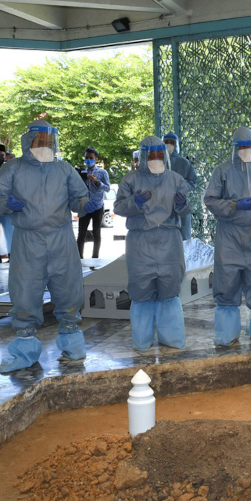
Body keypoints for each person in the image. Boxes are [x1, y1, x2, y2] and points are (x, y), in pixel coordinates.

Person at [0, 120, 92, 372]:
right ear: (29, 142)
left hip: (62, 238)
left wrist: (83, 203)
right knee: (25, 291)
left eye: (48, 142)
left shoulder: (64, 169)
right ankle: (25, 349)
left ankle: (73, 347)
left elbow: (79, 196)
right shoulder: (13, 168)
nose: (44, 146)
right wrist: (6, 204)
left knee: (68, 289)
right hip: (27, 239)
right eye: (39, 142)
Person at [204, 126, 251, 345]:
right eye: (244, 146)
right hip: (230, 236)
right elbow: (210, 200)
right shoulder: (222, 171)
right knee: (227, 281)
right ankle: (227, 334)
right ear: (235, 148)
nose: (249, 150)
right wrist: (235, 205)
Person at [114, 136, 191, 351]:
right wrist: (134, 203)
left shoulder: (176, 179)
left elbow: (186, 209)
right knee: (141, 290)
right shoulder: (131, 179)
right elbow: (119, 207)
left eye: (160, 154)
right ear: (143, 156)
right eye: (151, 155)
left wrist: (183, 205)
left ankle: (172, 338)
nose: (156, 159)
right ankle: (142, 340)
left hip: (170, 241)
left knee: (170, 289)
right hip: (141, 242)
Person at [163, 132, 200, 241]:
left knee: (183, 238)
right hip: (163, 203)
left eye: (171, 142)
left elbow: (193, 181)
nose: (169, 145)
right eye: (166, 142)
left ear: (176, 144)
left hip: (181, 202)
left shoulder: (184, 163)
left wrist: (181, 187)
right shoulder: (159, 162)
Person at [77, 147, 111, 259]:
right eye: (86, 158)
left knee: (97, 234)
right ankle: (79, 258)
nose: (88, 160)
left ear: (96, 159)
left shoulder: (102, 172)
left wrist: (97, 182)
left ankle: (95, 258)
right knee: (81, 234)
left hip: (98, 206)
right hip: (84, 207)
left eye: (91, 158)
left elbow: (107, 188)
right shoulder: (81, 172)